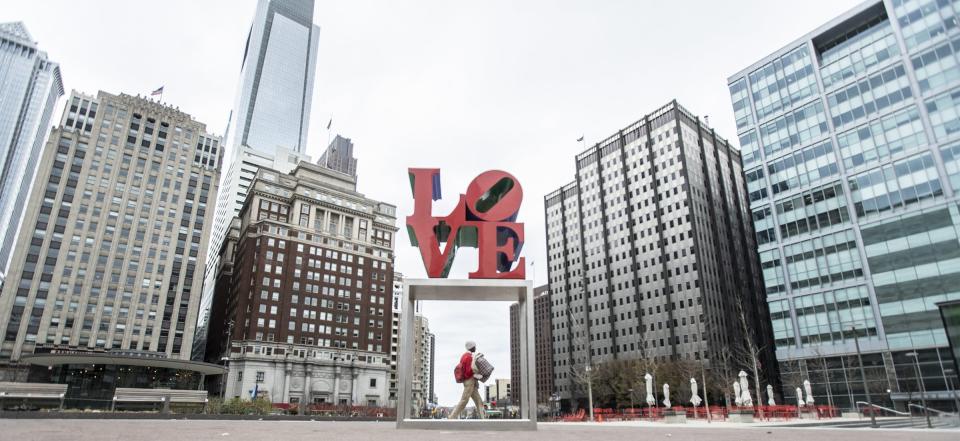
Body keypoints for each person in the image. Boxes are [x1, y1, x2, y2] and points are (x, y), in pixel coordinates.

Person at [448, 341, 486, 419]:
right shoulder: (468, 357)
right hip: (469, 381)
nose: (475, 348)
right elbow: (468, 371)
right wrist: (476, 375)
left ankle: (483, 418)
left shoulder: (464, 356)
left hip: (468, 381)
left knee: (479, 401)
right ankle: (451, 417)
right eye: (474, 346)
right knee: (464, 400)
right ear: (471, 347)